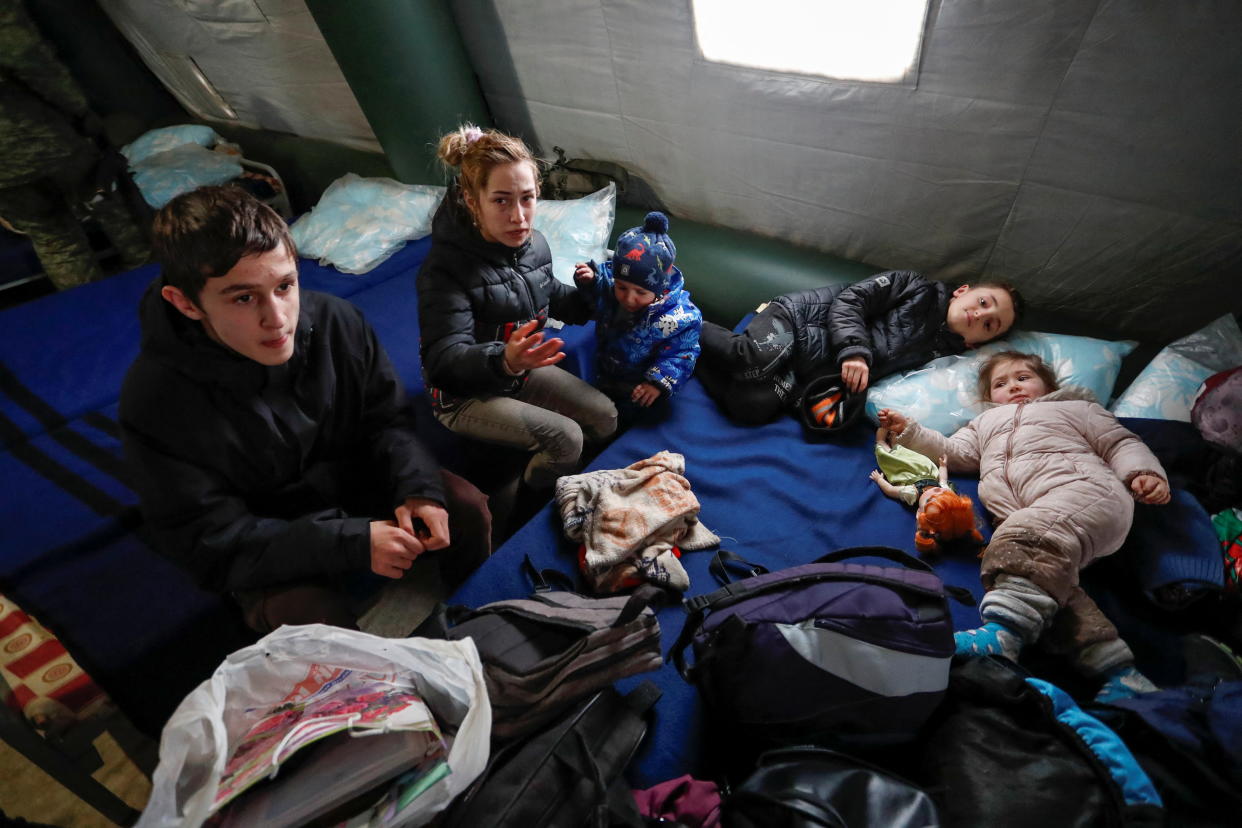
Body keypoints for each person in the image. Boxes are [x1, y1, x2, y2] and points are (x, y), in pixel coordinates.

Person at [119, 186, 491, 633]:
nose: (277, 318)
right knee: (309, 620)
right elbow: (210, 541)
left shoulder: (339, 322)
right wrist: (349, 543)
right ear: (185, 302)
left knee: (466, 508)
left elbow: (386, 422)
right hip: (267, 533)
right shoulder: (155, 400)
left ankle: (473, 623)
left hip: (348, 489)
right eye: (243, 298)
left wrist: (417, 489)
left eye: (284, 286)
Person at [879, 351, 1171, 703]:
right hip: (1036, 524)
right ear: (990, 397)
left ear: (1047, 385)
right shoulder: (984, 424)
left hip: (1085, 494)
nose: (1014, 387)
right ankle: (1118, 671)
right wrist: (909, 431)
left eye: (1023, 377)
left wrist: (1143, 473)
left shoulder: (1077, 408)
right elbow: (952, 452)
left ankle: (1002, 635)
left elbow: (1120, 442)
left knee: (1021, 545)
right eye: (1001, 384)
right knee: (1043, 587)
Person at [417, 124, 617, 492]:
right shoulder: (445, 270)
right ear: (471, 199)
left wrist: (593, 292)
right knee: (566, 438)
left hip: (515, 370)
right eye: (501, 200)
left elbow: (554, 298)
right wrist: (504, 361)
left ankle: (574, 484)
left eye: (527, 198)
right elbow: (443, 361)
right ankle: (524, 514)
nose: (519, 216)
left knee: (605, 416)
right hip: (462, 395)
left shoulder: (534, 245)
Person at [696, 271, 1021, 425]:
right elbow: (849, 301)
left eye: (990, 323)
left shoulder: (940, 360)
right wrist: (854, 350)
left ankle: (686, 353)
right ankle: (683, 319)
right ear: (962, 291)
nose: (980, 314)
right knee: (752, 359)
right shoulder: (915, 287)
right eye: (983, 302)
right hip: (798, 321)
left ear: (976, 342)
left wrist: (834, 404)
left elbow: (877, 382)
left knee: (751, 407)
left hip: (800, 369)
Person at [0, 0, 149, 290]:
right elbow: (30, 60)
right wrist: (79, 111)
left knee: (53, 237)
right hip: (39, 135)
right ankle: (155, 291)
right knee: (112, 207)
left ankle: (95, 313)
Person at [572, 210, 701, 420]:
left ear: (660, 287)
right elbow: (603, 288)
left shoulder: (680, 318)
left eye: (641, 292)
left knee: (629, 415)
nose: (629, 299)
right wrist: (591, 280)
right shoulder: (613, 286)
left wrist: (657, 382)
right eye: (622, 287)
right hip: (605, 367)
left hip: (640, 383)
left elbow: (683, 353)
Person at [869, 431, 984, 556]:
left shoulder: (912, 493)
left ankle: (880, 440)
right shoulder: (944, 490)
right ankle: (895, 442)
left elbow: (890, 490)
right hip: (925, 467)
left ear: (919, 513)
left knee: (890, 456)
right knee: (909, 453)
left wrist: (879, 480)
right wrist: (943, 466)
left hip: (905, 470)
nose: (936, 491)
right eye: (943, 494)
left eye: (930, 500)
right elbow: (943, 480)